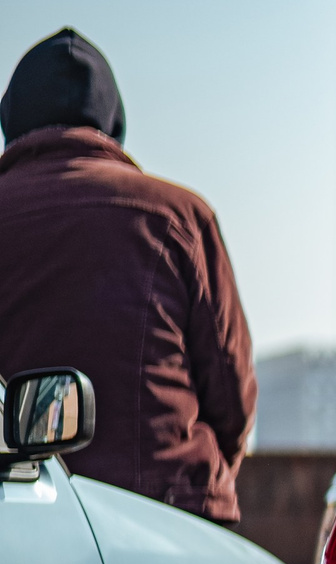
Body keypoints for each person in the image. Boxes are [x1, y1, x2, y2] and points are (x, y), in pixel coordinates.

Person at [0, 28, 254, 524]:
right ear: (114, 126)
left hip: (16, 526)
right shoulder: (179, 217)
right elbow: (231, 392)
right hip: (169, 521)